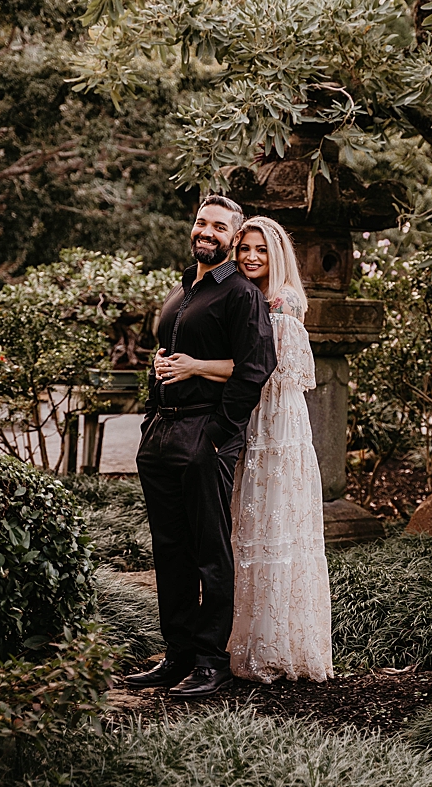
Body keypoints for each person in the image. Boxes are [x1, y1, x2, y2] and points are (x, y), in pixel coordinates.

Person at [151, 216, 334, 682]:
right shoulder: (228, 293)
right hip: (239, 422)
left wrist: (195, 369)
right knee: (239, 536)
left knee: (259, 534)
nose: (251, 257)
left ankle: (260, 647)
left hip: (272, 427)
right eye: (245, 248)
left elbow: (265, 369)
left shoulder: (281, 301)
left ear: (278, 256)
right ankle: (229, 644)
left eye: (262, 250)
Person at [126, 195, 276, 698]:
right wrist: (150, 417)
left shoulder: (240, 294)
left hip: (204, 435)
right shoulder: (180, 292)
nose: (205, 231)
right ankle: (178, 655)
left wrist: (216, 435)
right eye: (200, 221)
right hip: (161, 435)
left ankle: (213, 660)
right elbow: (164, 358)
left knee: (210, 552)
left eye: (218, 225)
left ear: (233, 237)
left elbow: (255, 368)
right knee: (170, 552)